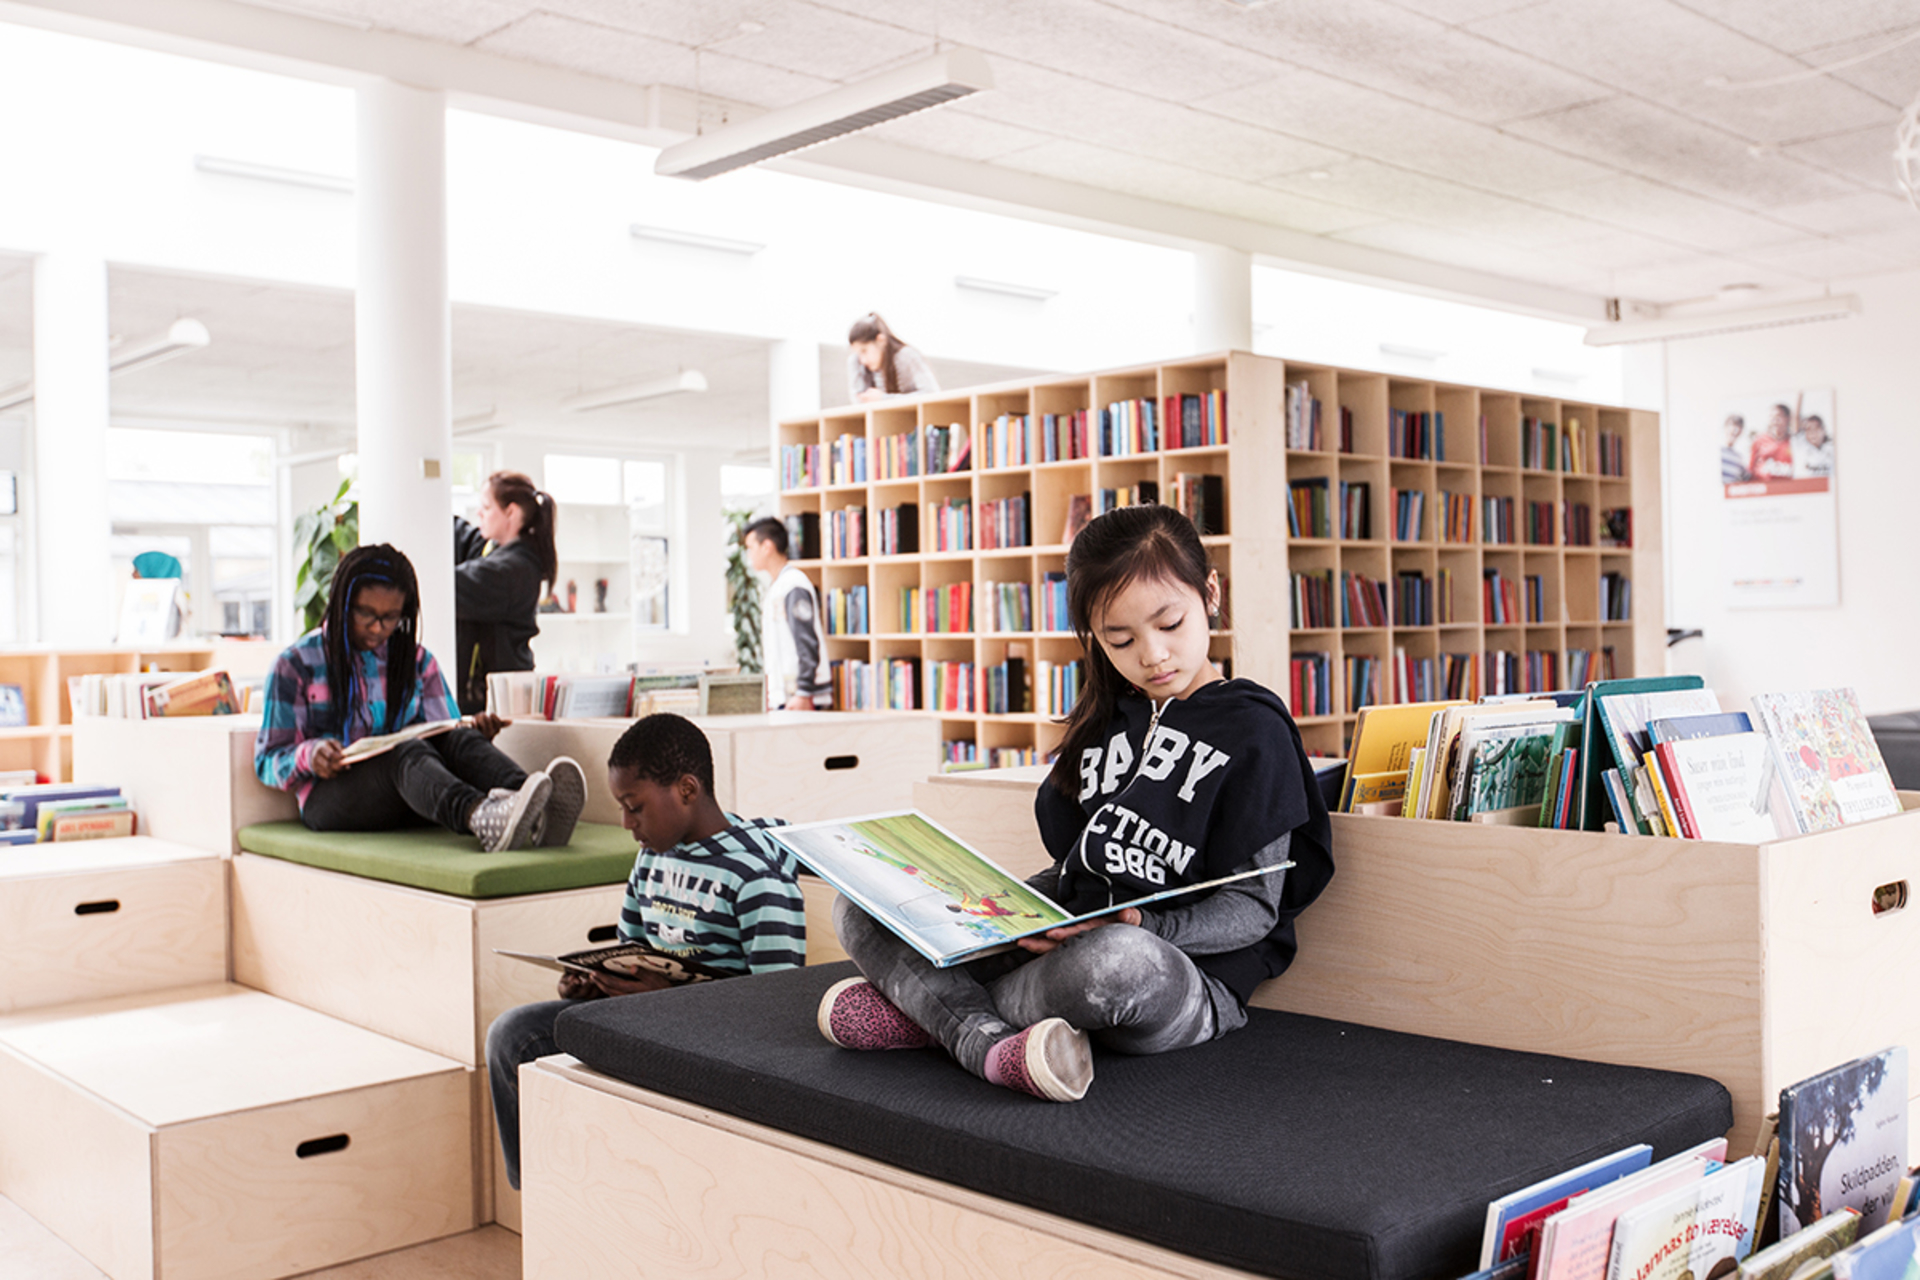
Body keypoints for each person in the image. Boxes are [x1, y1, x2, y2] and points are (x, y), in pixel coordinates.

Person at [817, 504, 1335, 1101]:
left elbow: (1253, 907)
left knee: (1116, 962)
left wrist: (1144, 922)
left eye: (1170, 624)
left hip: (1173, 976)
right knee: (857, 907)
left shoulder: (1252, 726)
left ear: (1210, 592)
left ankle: (930, 1015)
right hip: (1065, 943)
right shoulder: (1104, 720)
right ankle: (989, 1044)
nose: (1153, 655)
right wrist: (1004, 910)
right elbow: (1078, 869)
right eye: (1121, 639)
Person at [484, 712, 807, 1190]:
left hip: (712, 1040)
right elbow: (632, 948)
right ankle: (540, 1198)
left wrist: (667, 1000)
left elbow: (778, 1007)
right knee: (512, 1037)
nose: (625, 822)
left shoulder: (756, 877)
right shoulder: (652, 856)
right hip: (647, 1017)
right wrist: (593, 981)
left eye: (634, 807)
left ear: (687, 790)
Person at [254, 543, 587, 853]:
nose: (377, 628)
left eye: (390, 618)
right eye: (366, 614)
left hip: (411, 797)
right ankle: (480, 816)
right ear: (342, 604)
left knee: (457, 740)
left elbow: (444, 735)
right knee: (405, 750)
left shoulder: (416, 661)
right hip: (330, 800)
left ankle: (534, 800)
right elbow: (267, 760)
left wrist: (472, 732)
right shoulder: (295, 664)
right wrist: (309, 756)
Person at [453, 472, 557, 715]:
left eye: (487, 507)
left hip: (497, 704)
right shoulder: (499, 552)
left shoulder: (511, 570)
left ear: (511, 512)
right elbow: (467, 538)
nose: (480, 513)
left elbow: (450, 586)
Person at [745, 517, 830, 711]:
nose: (749, 555)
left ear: (767, 546)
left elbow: (806, 640)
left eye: (751, 548)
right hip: (785, 696)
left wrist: (804, 692)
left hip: (800, 697)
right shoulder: (779, 586)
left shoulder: (793, 585)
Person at [847, 312, 939, 403]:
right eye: (858, 354)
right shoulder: (859, 363)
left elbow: (932, 394)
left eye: (864, 351)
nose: (862, 360)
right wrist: (854, 363)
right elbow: (859, 403)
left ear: (881, 340)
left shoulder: (906, 356)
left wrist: (884, 398)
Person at [1748, 403, 1795, 481]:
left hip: (1787, 488)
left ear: (1788, 418)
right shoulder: (1759, 440)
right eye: (1771, 416)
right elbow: (1750, 469)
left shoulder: (1795, 442)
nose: (1775, 420)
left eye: (1778, 416)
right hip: (1764, 489)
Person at [1793, 414, 1834, 479]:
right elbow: (1796, 419)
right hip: (1807, 487)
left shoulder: (1832, 449)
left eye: (1816, 428)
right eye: (1809, 429)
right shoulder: (1800, 447)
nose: (1813, 433)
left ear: (1823, 430)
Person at [1720, 414, 1750, 486]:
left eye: (1738, 427)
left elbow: (1747, 478)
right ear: (1724, 427)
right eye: (1731, 425)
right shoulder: (1715, 451)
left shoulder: (1739, 458)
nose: (1734, 430)